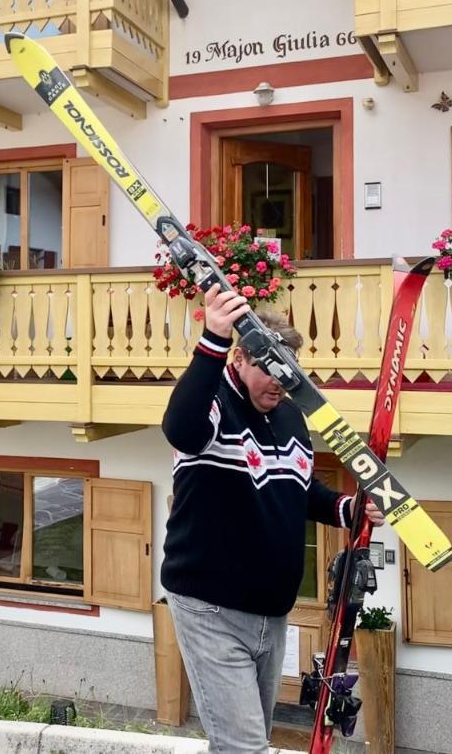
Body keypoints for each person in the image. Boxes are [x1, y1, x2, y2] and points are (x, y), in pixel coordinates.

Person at [161, 285, 384, 754]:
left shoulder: (289, 417)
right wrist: (212, 341)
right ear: (240, 359)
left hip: (271, 614)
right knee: (244, 747)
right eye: (267, 366)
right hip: (210, 607)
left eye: (288, 370)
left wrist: (347, 509)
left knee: (247, 742)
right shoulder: (214, 405)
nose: (279, 381)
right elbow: (180, 427)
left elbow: (297, 489)